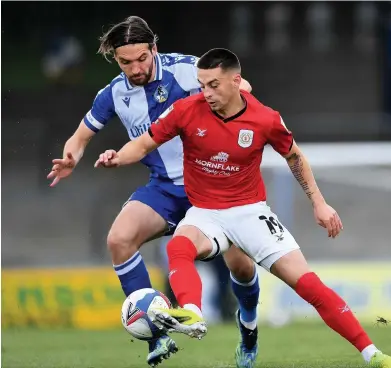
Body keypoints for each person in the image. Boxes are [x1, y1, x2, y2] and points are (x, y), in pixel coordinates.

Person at [94, 48, 391, 368]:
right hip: (205, 211)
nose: (206, 93)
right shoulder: (186, 110)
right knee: (179, 246)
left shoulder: (265, 119)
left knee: (308, 285)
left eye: (214, 85)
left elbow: (295, 157)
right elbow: (145, 143)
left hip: (250, 212)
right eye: (201, 85)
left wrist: (320, 203)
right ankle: (193, 314)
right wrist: (119, 156)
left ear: (236, 81)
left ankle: (373, 354)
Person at [47, 17, 260, 368]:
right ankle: (156, 334)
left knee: (240, 265)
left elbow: (241, 88)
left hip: (212, 185)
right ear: (115, 60)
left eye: (142, 58)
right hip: (164, 189)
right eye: (125, 62)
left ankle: (248, 327)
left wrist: (232, 99)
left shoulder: (187, 69)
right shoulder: (113, 93)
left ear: (154, 48)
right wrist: (71, 156)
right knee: (119, 239)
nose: (135, 68)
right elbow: (80, 136)